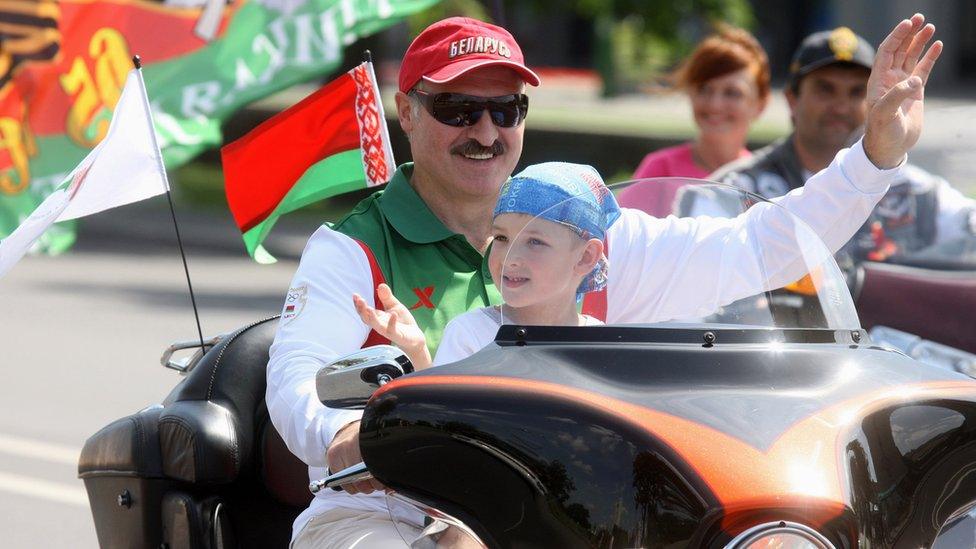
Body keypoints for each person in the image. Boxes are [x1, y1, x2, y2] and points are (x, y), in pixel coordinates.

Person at [268, 14, 941, 548]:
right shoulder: (352, 248)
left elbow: (760, 246)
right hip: (391, 504)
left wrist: (874, 156)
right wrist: (354, 429)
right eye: (457, 109)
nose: (485, 130)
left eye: (505, 110)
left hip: (572, 515)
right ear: (406, 111)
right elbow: (302, 387)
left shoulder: (589, 236)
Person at [712, 25, 974, 261]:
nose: (840, 107)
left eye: (857, 92)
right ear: (793, 99)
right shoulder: (738, 186)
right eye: (825, 89)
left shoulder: (917, 194)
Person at [353, 162, 617, 371]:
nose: (510, 258)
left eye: (535, 241)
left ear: (585, 257)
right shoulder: (473, 334)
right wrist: (419, 354)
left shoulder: (603, 344)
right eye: (501, 238)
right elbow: (444, 421)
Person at [619, 25, 770, 217]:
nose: (715, 104)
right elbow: (620, 239)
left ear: (760, 104)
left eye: (732, 93)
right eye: (704, 89)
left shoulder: (766, 179)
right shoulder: (660, 170)